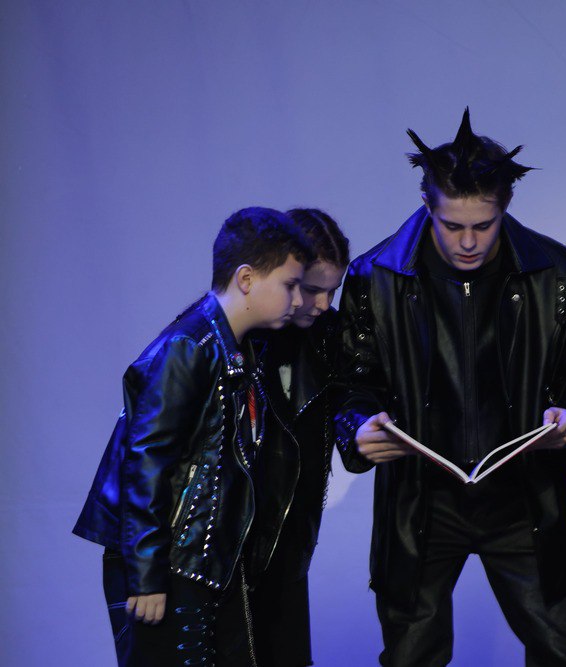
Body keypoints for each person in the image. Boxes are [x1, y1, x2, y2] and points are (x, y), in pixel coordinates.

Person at [332, 108, 566, 667]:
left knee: (565, 656)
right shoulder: (374, 276)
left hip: (524, 498)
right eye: (452, 226)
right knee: (412, 659)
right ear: (426, 205)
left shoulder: (555, 271)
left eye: (483, 225)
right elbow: (350, 381)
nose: (468, 242)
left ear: (506, 206)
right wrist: (357, 427)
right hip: (421, 504)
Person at [73, 207, 314, 666]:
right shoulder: (189, 347)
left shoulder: (236, 350)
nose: (299, 300)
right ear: (246, 279)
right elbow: (146, 461)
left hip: (201, 562)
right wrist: (146, 576)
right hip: (171, 564)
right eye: (290, 285)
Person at [250, 208, 350, 667]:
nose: (323, 304)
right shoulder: (229, 339)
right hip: (232, 547)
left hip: (290, 544)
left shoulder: (333, 336)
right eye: (311, 290)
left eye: (333, 291)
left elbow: (356, 408)